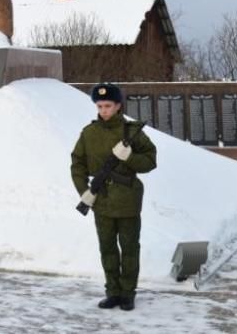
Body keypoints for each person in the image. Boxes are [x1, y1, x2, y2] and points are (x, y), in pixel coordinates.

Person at [70, 83, 157, 311]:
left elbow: (150, 160)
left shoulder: (131, 131)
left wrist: (129, 158)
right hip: (101, 201)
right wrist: (85, 192)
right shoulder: (89, 133)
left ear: (118, 106)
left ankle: (128, 293)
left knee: (129, 249)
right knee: (107, 249)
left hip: (128, 201)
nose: (104, 111)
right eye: (99, 106)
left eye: (108, 106)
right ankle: (113, 292)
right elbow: (77, 163)